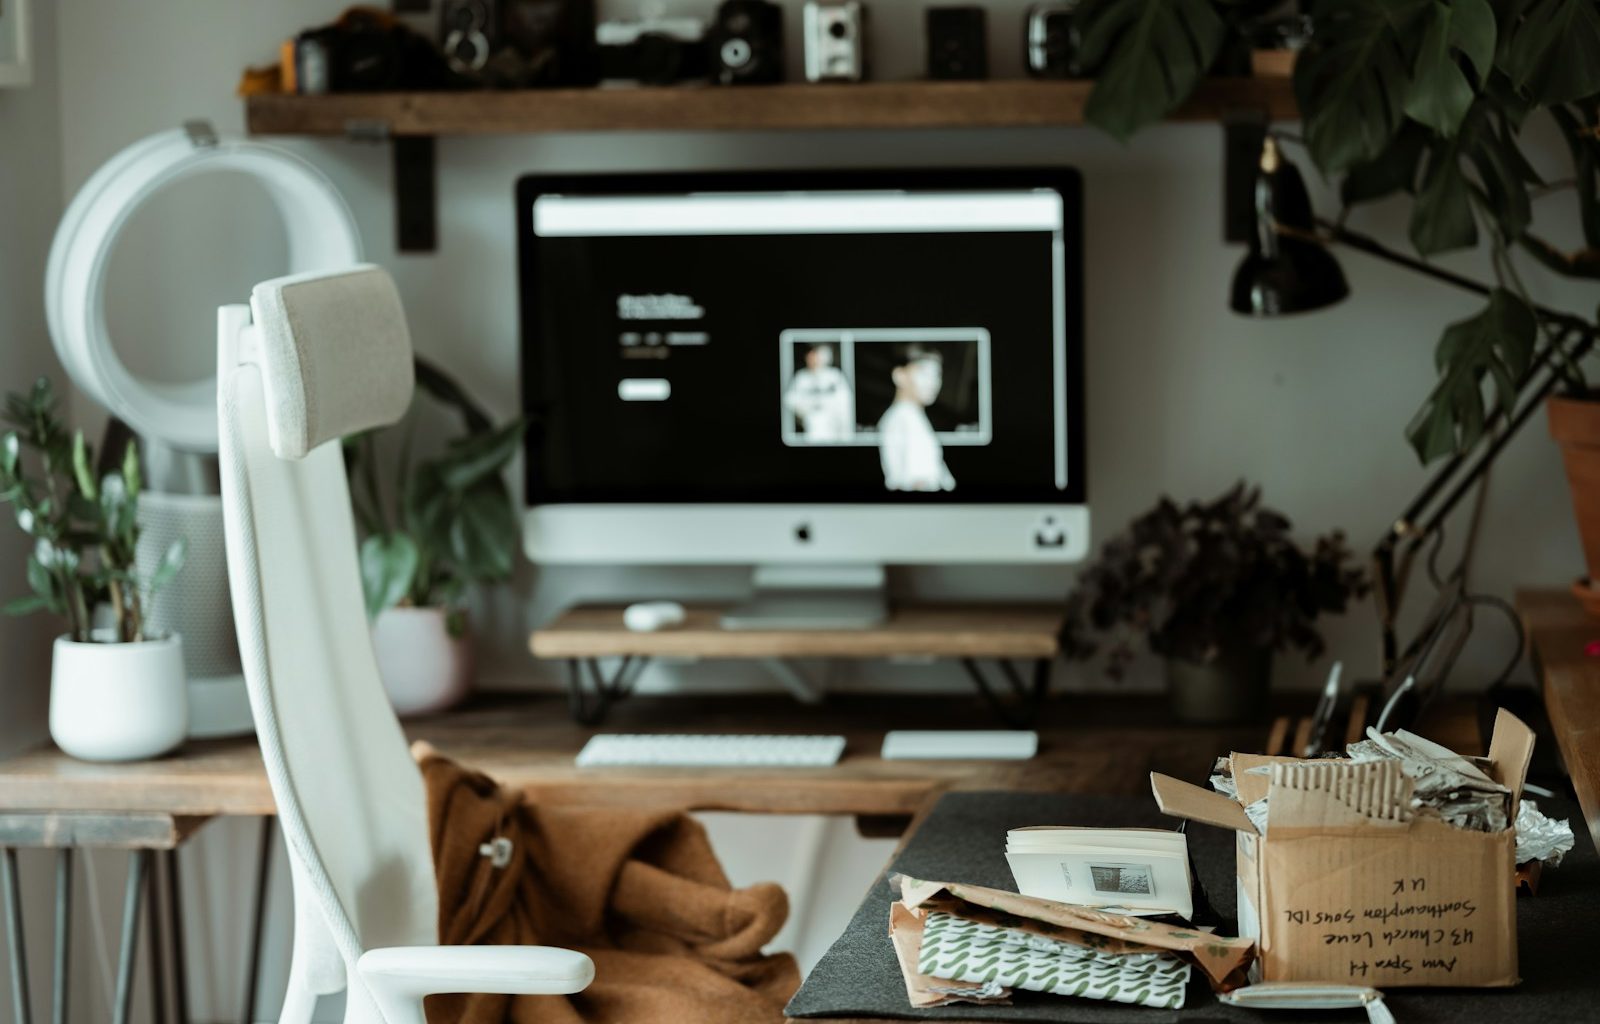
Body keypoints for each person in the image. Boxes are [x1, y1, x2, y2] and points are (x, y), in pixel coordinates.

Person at [877, 345, 955, 492]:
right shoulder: (903, 418)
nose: (932, 382)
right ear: (899, 375)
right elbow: (918, 482)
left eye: (937, 374)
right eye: (924, 372)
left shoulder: (913, 416)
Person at [783, 344, 853, 442]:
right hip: (812, 422)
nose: (812, 361)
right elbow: (790, 399)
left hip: (834, 422)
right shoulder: (801, 377)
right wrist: (809, 407)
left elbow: (845, 399)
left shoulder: (834, 375)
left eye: (814, 358)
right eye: (809, 358)